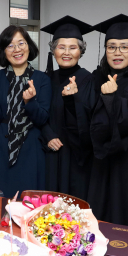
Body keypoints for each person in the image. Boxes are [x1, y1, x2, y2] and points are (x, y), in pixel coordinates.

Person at [86, 14, 128, 226]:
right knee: (98, 209)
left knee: (123, 210)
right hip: (98, 159)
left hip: (127, 160)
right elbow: (87, 115)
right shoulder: (95, 78)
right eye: (112, 47)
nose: (117, 52)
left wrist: (112, 98)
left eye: (124, 47)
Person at [0, 26, 51, 198]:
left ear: (29, 46)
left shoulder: (42, 79)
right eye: (10, 46)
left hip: (30, 148)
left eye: (21, 43)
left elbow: (42, 119)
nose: (17, 49)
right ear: (4, 51)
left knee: (28, 202)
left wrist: (30, 102)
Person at [39, 16, 95, 200]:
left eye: (73, 47)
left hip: (75, 156)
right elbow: (37, 114)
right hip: (48, 153)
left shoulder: (88, 80)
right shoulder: (45, 79)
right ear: (53, 50)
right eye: (61, 47)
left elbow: (89, 120)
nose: (66, 52)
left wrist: (74, 100)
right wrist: (48, 135)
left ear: (81, 51)